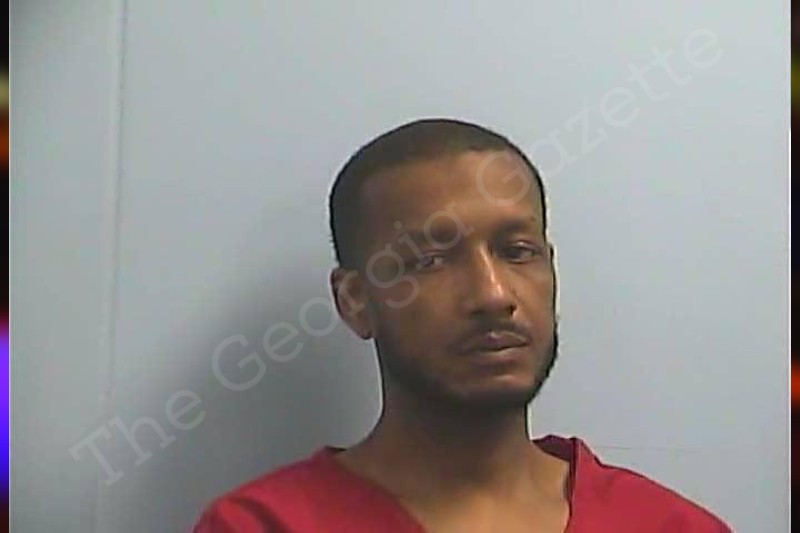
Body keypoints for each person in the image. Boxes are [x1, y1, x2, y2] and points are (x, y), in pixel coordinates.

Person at [193, 118, 731, 532]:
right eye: (430, 260)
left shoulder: (670, 526)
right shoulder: (263, 526)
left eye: (516, 251)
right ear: (356, 301)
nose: (493, 295)